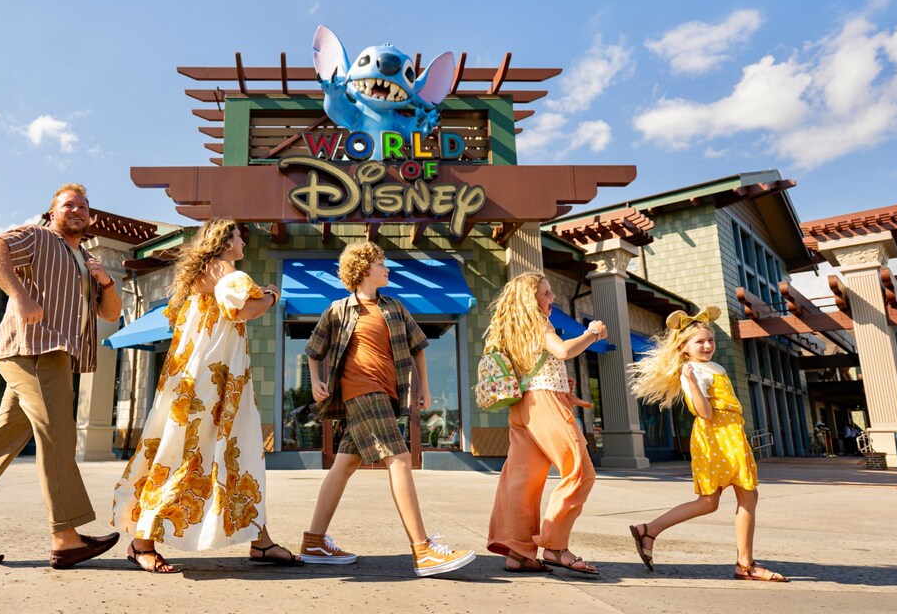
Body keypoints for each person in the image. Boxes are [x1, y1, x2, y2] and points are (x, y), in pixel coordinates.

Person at [0, 184, 122, 568]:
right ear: (53, 213)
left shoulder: (85, 259)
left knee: (2, 441)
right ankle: (66, 536)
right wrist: (18, 295)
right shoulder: (37, 237)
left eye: (84, 206)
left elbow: (111, 314)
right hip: (35, 347)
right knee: (58, 432)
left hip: (55, 355)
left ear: (92, 218)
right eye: (69, 205)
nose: (77, 210)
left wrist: (104, 281)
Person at [111, 219, 297, 572]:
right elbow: (245, 309)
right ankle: (141, 542)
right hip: (212, 385)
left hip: (193, 379)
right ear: (226, 240)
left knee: (216, 455)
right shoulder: (225, 269)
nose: (243, 242)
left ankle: (261, 541)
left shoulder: (202, 278)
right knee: (201, 453)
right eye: (240, 236)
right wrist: (272, 295)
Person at [298, 241, 475, 577]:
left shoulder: (394, 307)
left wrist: (423, 386)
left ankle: (314, 541)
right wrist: (316, 381)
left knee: (344, 465)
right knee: (399, 458)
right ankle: (423, 550)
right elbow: (313, 349)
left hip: (387, 394)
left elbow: (418, 347)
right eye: (381, 264)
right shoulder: (338, 310)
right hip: (361, 391)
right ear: (364, 270)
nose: (387, 268)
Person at [627, 306, 788, 582]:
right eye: (699, 341)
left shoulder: (716, 367)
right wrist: (689, 379)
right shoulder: (692, 372)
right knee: (737, 496)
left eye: (710, 340)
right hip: (716, 435)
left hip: (730, 433)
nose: (707, 345)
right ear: (684, 347)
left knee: (717, 500)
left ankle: (649, 530)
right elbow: (704, 412)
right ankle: (744, 564)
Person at [483, 273, 607, 575]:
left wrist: (564, 387)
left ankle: (519, 552)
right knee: (579, 470)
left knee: (522, 479)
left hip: (522, 407)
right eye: (547, 294)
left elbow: (536, 369)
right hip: (545, 404)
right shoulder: (539, 322)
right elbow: (563, 351)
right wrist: (592, 333)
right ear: (531, 299)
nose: (552, 299)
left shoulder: (509, 328)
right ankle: (555, 545)